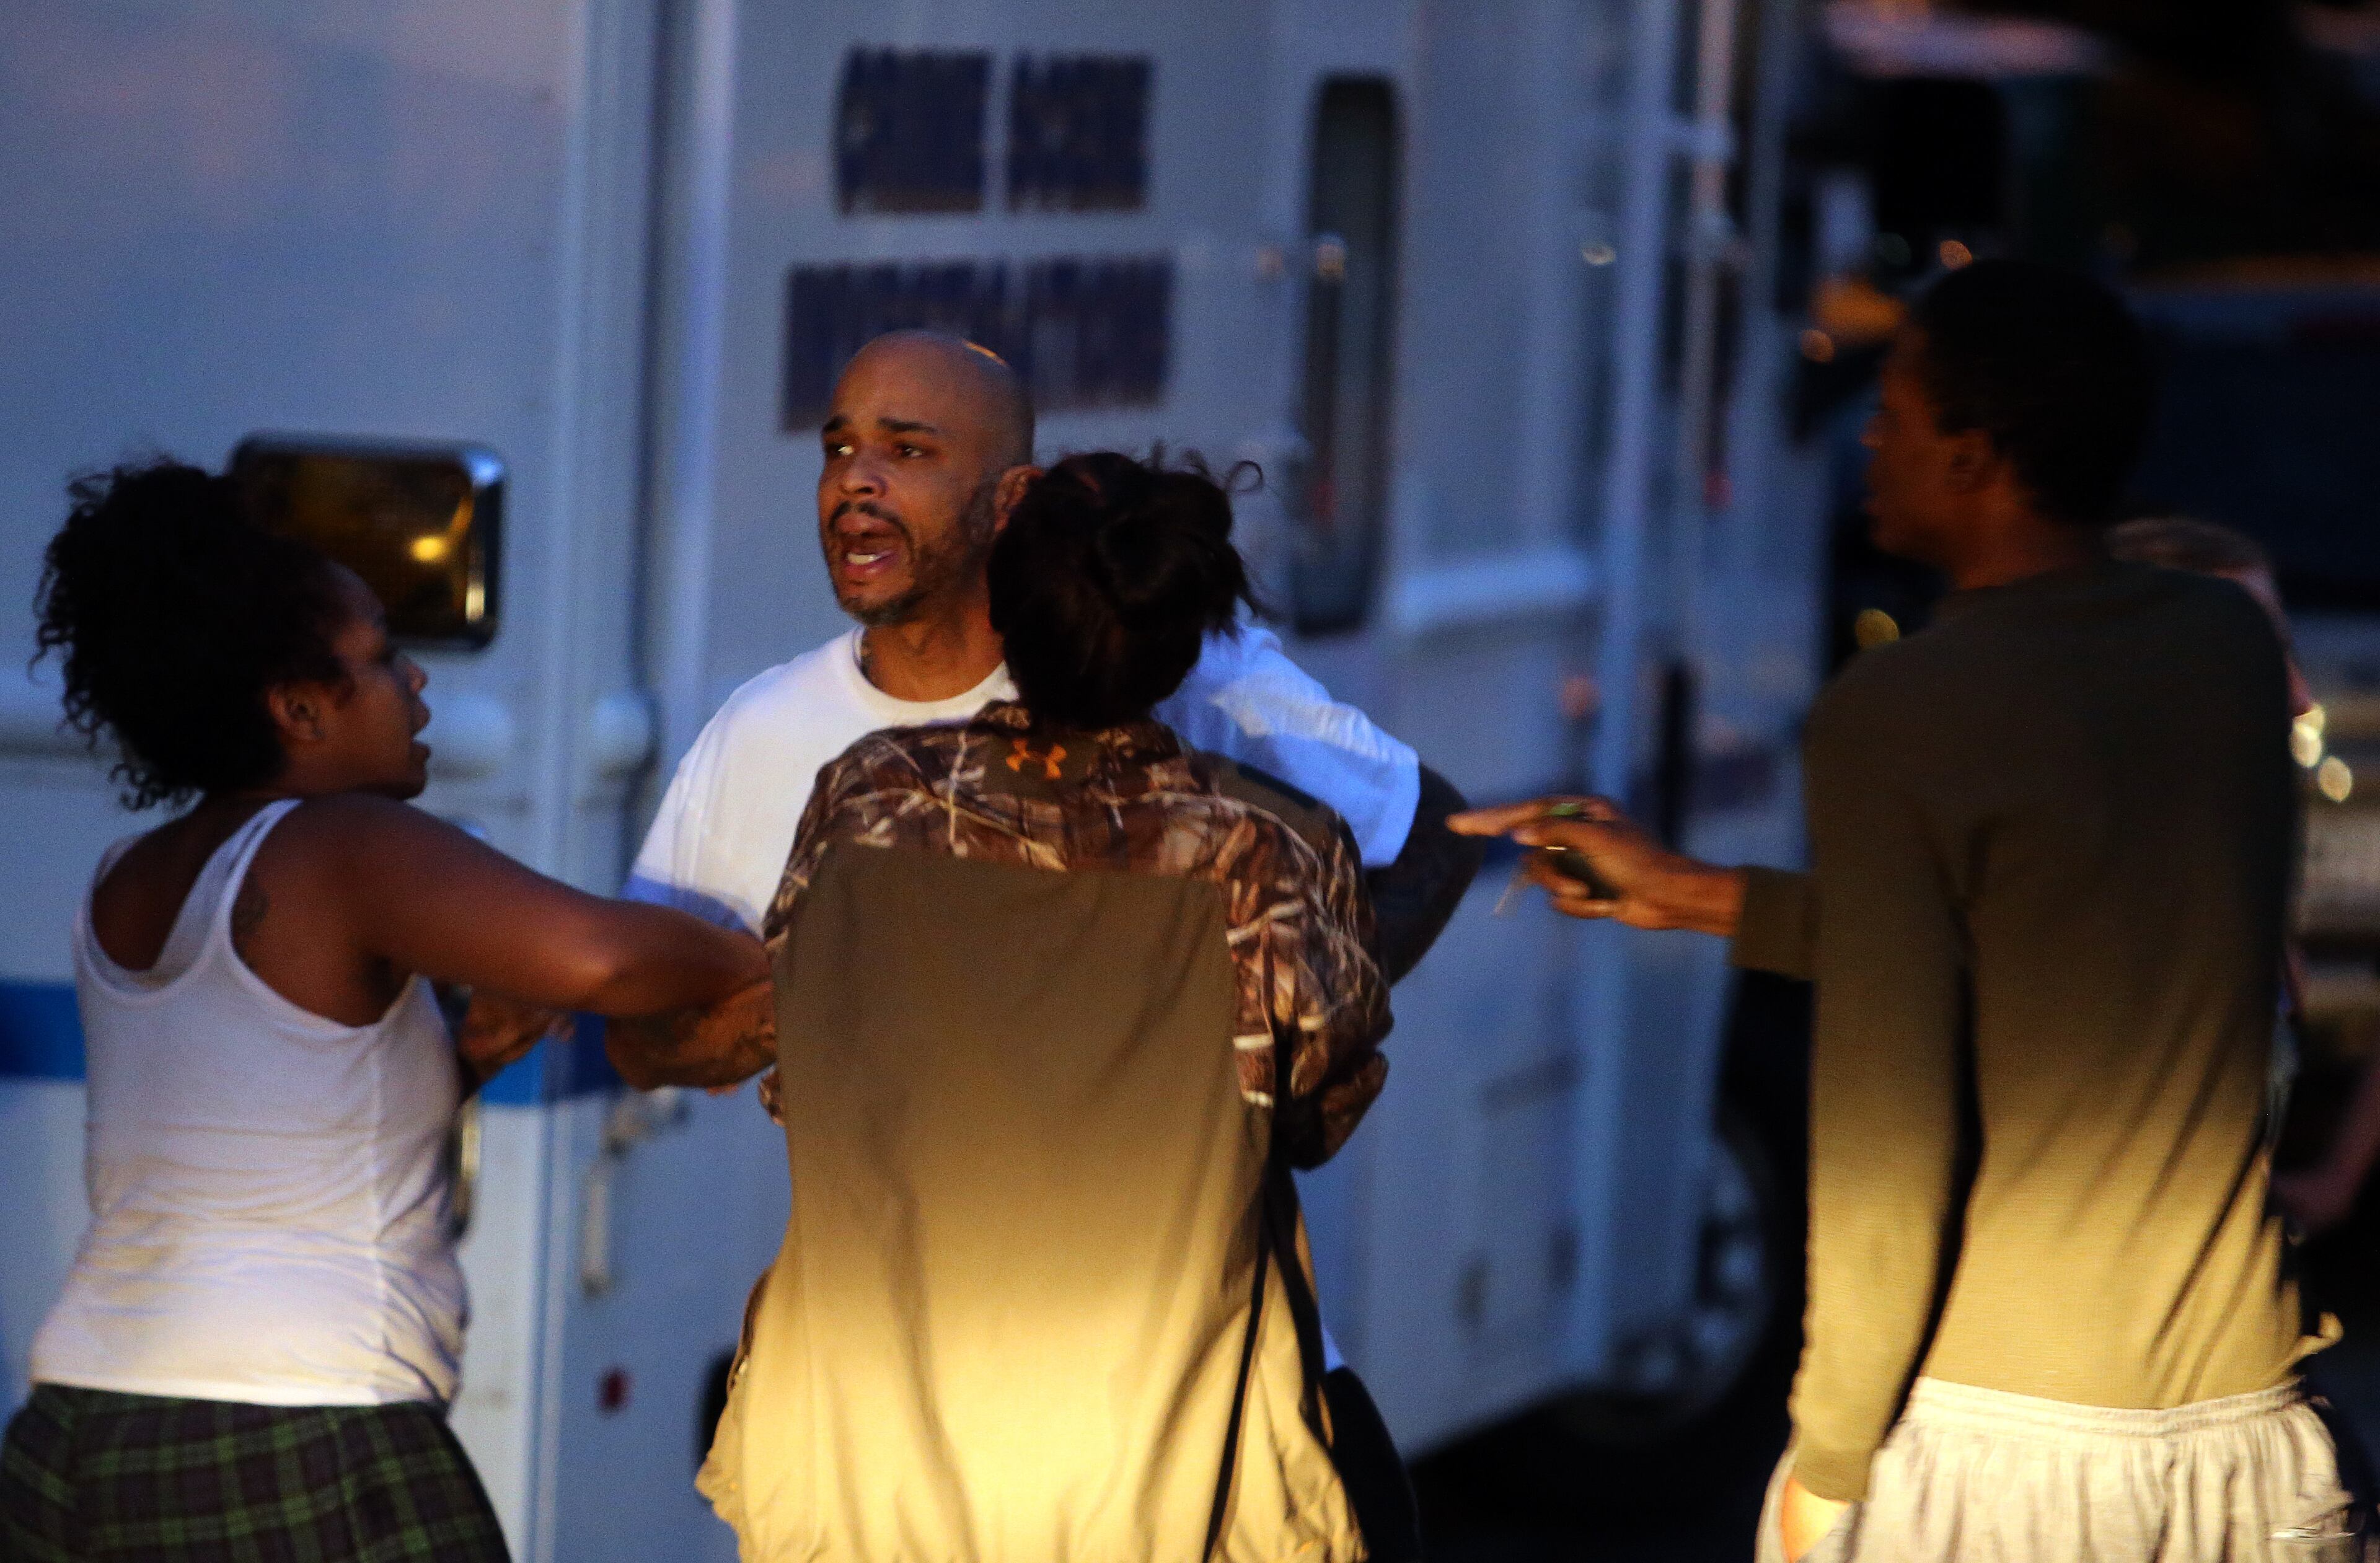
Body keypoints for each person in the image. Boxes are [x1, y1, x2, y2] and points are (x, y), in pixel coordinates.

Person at [1457, 262, 2353, 1562]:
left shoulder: (1901, 711)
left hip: (2022, 1443)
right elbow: (2048, 928)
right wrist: (1700, 896)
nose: (1869, 438)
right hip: (2253, 1431)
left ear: (1977, 457)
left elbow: (1888, 1155)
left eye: (1899, 412)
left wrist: (1828, 1464)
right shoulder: (2220, 651)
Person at [0, 462, 768, 1562]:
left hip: (83, 1428)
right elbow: (599, 960)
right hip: (298, 1429)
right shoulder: (340, 842)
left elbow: (264, 1112)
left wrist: (455, 1066)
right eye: (376, 660)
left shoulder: (130, 878)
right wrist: (755, 952)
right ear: (299, 708)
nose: (416, 681)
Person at [640, 451, 1390, 1561]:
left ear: (1002, 611)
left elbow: (805, 1066)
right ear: (1184, 638)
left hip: (868, 1459)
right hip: (1149, 1476)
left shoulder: (868, 800)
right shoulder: (1267, 851)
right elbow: (1318, 1110)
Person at [626, 328, 1475, 980]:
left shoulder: (1165, 665)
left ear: (1014, 497)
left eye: (909, 450)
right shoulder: (760, 731)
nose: (856, 480)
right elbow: (644, 1032)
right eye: (839, 449)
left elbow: (1433, 834)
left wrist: (1270, 1038)